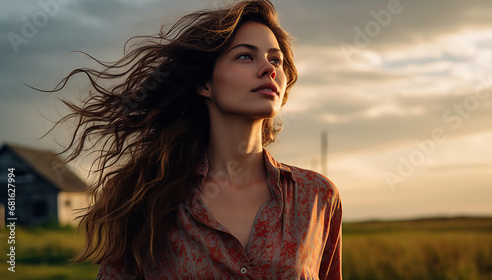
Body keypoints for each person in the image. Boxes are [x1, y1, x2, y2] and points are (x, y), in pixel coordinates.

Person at [50, 0, 342, 279]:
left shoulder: (317, 198)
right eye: (245, 56)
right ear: (204, 83)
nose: (269, 68)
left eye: (275, 59)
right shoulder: (147, 198)